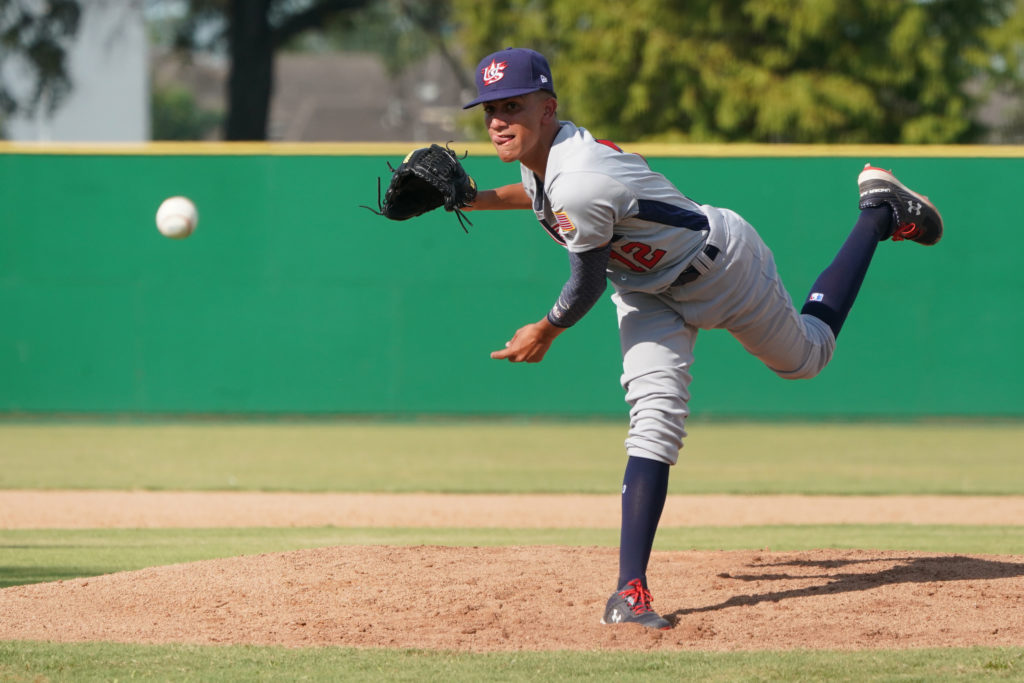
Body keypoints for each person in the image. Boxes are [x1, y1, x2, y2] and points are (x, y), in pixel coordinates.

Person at [462, 47, 942, 630]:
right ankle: (629, 591)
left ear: (547, 108)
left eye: (511, 105)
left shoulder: (579, 177)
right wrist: (473, 198)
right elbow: (541, 197)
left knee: (808, 357)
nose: (497, 121)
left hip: (722, 268)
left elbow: (583, 282)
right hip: (645, 292)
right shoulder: (546, 156)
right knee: (654, 419)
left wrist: (547, 329)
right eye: (489, 109)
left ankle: (879, 213)